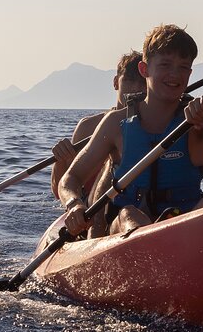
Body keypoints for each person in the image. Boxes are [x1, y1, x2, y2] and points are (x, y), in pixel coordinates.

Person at [59, 24, 203, 238]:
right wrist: (74, 204)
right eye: (165, 65)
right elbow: (71, 178)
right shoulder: (116, 123)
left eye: (183, 67)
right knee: (129, 214)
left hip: (187, 223)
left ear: (190, 73)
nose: (174, 74)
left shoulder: (198, 118)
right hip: (129, 229)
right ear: (145, 70)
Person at [50, 51, 146, 238]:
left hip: (134, 203)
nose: (135, 89)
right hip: (89, 211)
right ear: (116, 82)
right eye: (129, 81)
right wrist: (61, 160)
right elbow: (59, 188)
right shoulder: (89, 127)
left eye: (142, 82)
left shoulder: (154, 124)